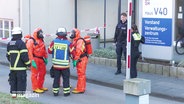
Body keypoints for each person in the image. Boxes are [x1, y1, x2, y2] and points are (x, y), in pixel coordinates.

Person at [6, 27, 31, 98]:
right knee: (21, 84)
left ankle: (13, 98)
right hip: (21, 69)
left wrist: (13, 63)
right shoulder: (21, 43)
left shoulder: (9, 44)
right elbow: (24, 56)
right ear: (20, 34)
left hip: (12, 69)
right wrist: (28, 64)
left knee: (13, 83)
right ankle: (20, 99)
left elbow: (8, 56)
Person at [48, 28, 71, 96]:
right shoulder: (68, 43)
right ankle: (66, 92)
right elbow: (73, 52)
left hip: (56, 65)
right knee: (66, 79)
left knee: (56, 78)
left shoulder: (54, 42)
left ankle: (55, 92)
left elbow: (49, 51)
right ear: (65, 34)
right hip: (65, 66)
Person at [26, 28, 48, 93]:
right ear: (37, 33)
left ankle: (40, 86)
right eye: (40, 33)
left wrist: (46, 57)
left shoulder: (41, 40)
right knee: (34, 74)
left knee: (42, 73)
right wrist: (32, 61)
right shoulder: (31, 41)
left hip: (41, 59)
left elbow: (44, 50)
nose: (41, 34)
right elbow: (29, 52)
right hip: (35, 59)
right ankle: (35, 88)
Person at [69, 28, 88, 94]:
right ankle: (81, 87)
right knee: (80, 74)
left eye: (72, 33)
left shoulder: (79, 41)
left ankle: (80, 89)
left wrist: (75, 60)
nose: (71, 34)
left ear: (76, 33)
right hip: (80, 59)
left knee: (81, 74)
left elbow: (78, 51)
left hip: (81, 59)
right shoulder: (76, 40)